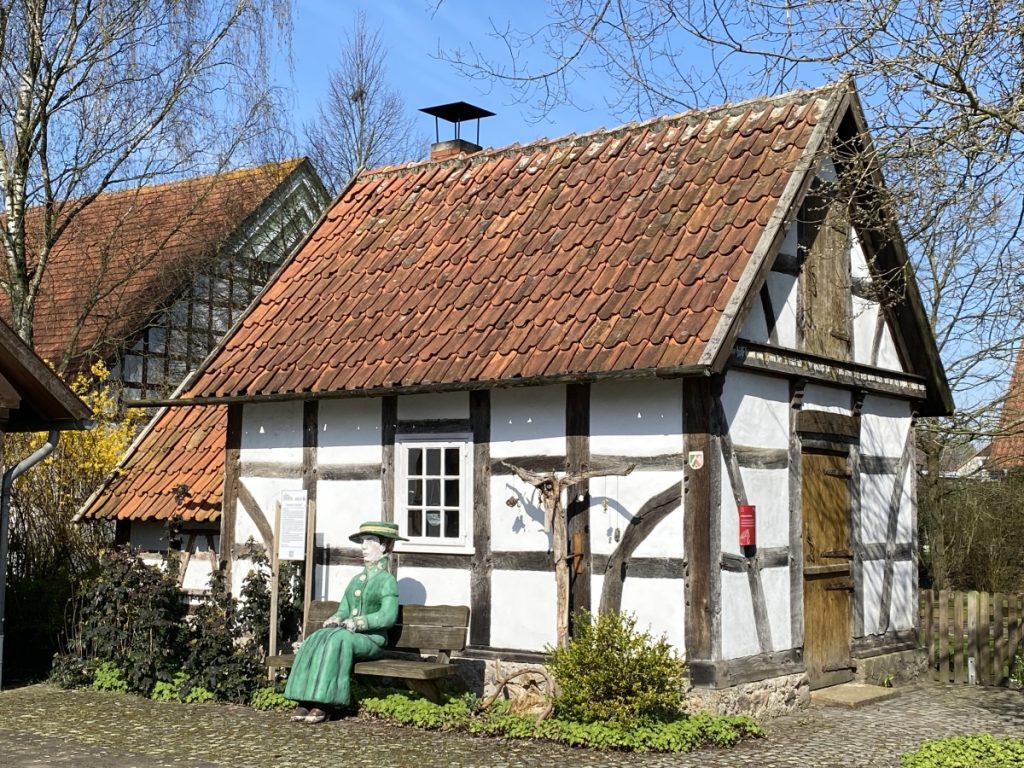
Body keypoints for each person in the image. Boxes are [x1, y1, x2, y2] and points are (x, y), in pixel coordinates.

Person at [285, 520, 405, 723]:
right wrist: (336, 618)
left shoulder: (387, 581)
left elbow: (388, 616)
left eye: (370, 541)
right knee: (317, 637)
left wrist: (358, 623)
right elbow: (344, 609)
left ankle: (326, 703)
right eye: (362, 541)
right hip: (349, 634)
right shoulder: (356, 580)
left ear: (384, 546)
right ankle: (304, 700)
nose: (364, 546)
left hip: (372, 640)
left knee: (337, 641)